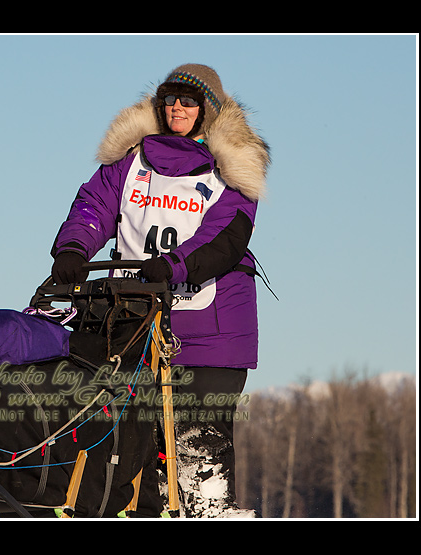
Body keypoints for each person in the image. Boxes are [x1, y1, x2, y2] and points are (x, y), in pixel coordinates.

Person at [49, 64, 270, 517]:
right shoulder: (131, 162)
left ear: (208, 109)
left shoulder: (230, 167)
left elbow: (224, 237)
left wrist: (172, 266)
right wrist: (74, 247)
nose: (177, 107)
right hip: (135, 326)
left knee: (198, 453)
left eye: (189, 100)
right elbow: (94, 206)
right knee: (136, 457)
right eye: (170, 98)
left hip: (210, 330)